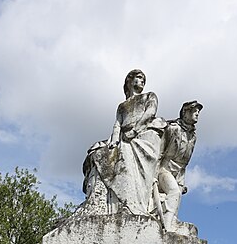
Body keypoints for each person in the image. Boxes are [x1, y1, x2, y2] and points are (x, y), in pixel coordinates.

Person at [83, 69, 166, 215]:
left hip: (142, 137)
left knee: (126, 160)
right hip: (124, 137)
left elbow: (150, 113)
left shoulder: (149, 96)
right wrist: (114, 141)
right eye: (139, 78)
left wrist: (134, 131)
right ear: (130, 80)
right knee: (98, 153)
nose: (142, 82)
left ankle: (131, 206)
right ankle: (101, 203)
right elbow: (117, 124)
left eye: (143, 79)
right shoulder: (122, 106)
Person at [155, 100, 203, 231]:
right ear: (185, 113)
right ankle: (167, 227)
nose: (197, 114)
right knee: (174, 192)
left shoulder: (193, 136)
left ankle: (171, 220)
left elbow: (185, 162)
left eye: (198, 111)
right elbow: (159, 152)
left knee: (177, 197)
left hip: (179, 172)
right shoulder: (173, 129)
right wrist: (154, 175)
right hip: (164, 168)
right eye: (194, 111)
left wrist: (181, 181)